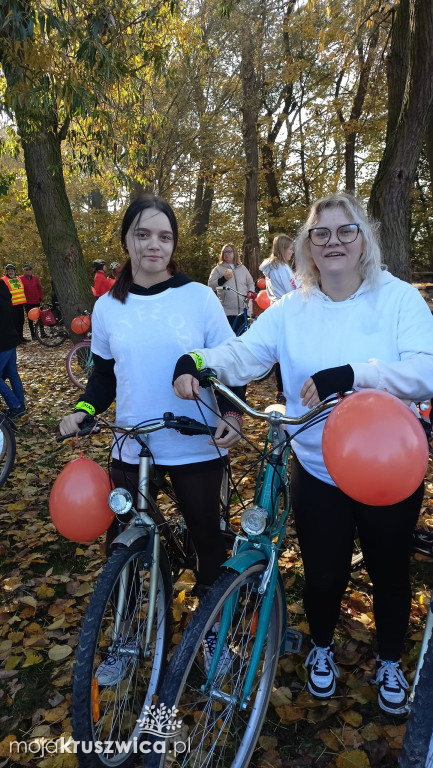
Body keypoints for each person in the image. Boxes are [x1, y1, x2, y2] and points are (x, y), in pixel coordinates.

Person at [173, 192, 433, 716]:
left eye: (346, 231)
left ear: (365, 239)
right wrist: (200, 359)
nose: (333, 242)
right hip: (317, 466)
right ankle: (319, 649)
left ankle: (387, 660)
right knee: (322, 572)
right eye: (321, 233)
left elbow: (426, 371)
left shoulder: (399, 298)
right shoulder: (293, 309)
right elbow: (245, 354)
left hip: (389, 467)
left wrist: (356, 375)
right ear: (308, 247)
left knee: (389, 569)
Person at [59, 194, 243, 684]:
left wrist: (230, 412)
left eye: (164, 236)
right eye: (143, 234)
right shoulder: (107, 307)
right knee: (121, 544)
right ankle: (123, 634)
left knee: (207, 538)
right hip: (131, 444)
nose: (153, 245)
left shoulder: (198, 297)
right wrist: (82, 410)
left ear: (174, 243)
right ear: (126, 240)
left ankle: (208, 632)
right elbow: (101, 377)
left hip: (195, 441)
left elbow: (231, 359)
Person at [259, 233, 300, 402]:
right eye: (290, 249)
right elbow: (292, 290)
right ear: (283, 249)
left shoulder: (273, 268)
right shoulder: (280, 268)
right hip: (286, 312)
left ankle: (282, 389)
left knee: (282, 352)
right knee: (287, 351)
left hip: (276, 310)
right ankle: (286, 389)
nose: (292, 253)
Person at [208, 244, 255, 328]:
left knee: (243, 336)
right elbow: (210, 285)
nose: (226, 254)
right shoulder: (218, 269)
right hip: (227, 312)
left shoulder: (242, 268)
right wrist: (224, 279)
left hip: (244, 310)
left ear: (235, 253)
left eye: (229, 251)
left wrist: (250, 293)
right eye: (224, 252)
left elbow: (250, 282)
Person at [0, 279, 26, 418]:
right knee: (12, 374)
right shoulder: (5, 292)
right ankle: (20, 405)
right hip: (11, 338)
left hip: (2, 343)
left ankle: (15, 405)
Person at [1, 265, 27, 343]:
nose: (11, 272)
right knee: (14, 322)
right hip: (11, 305)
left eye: (12, 270)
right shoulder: (3, 280)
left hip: (20, 304)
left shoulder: (18, 278)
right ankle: (17, 339)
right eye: (9, 270)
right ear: (6, 271)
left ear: (14, 271)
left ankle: (21, 337)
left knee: (21, 321)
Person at [20, 264, 43, 340]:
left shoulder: (35, 278)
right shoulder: (20, 279)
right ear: (23, 270)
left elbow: (39, 288)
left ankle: (42, 333)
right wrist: (23, 301)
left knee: (40, 317)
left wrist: (40, 297)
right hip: (27, 303)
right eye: (26, 269)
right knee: (30, 319)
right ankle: (33, 335)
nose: (28, 271)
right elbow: (20, 291)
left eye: (29, 269)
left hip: (36, 301)